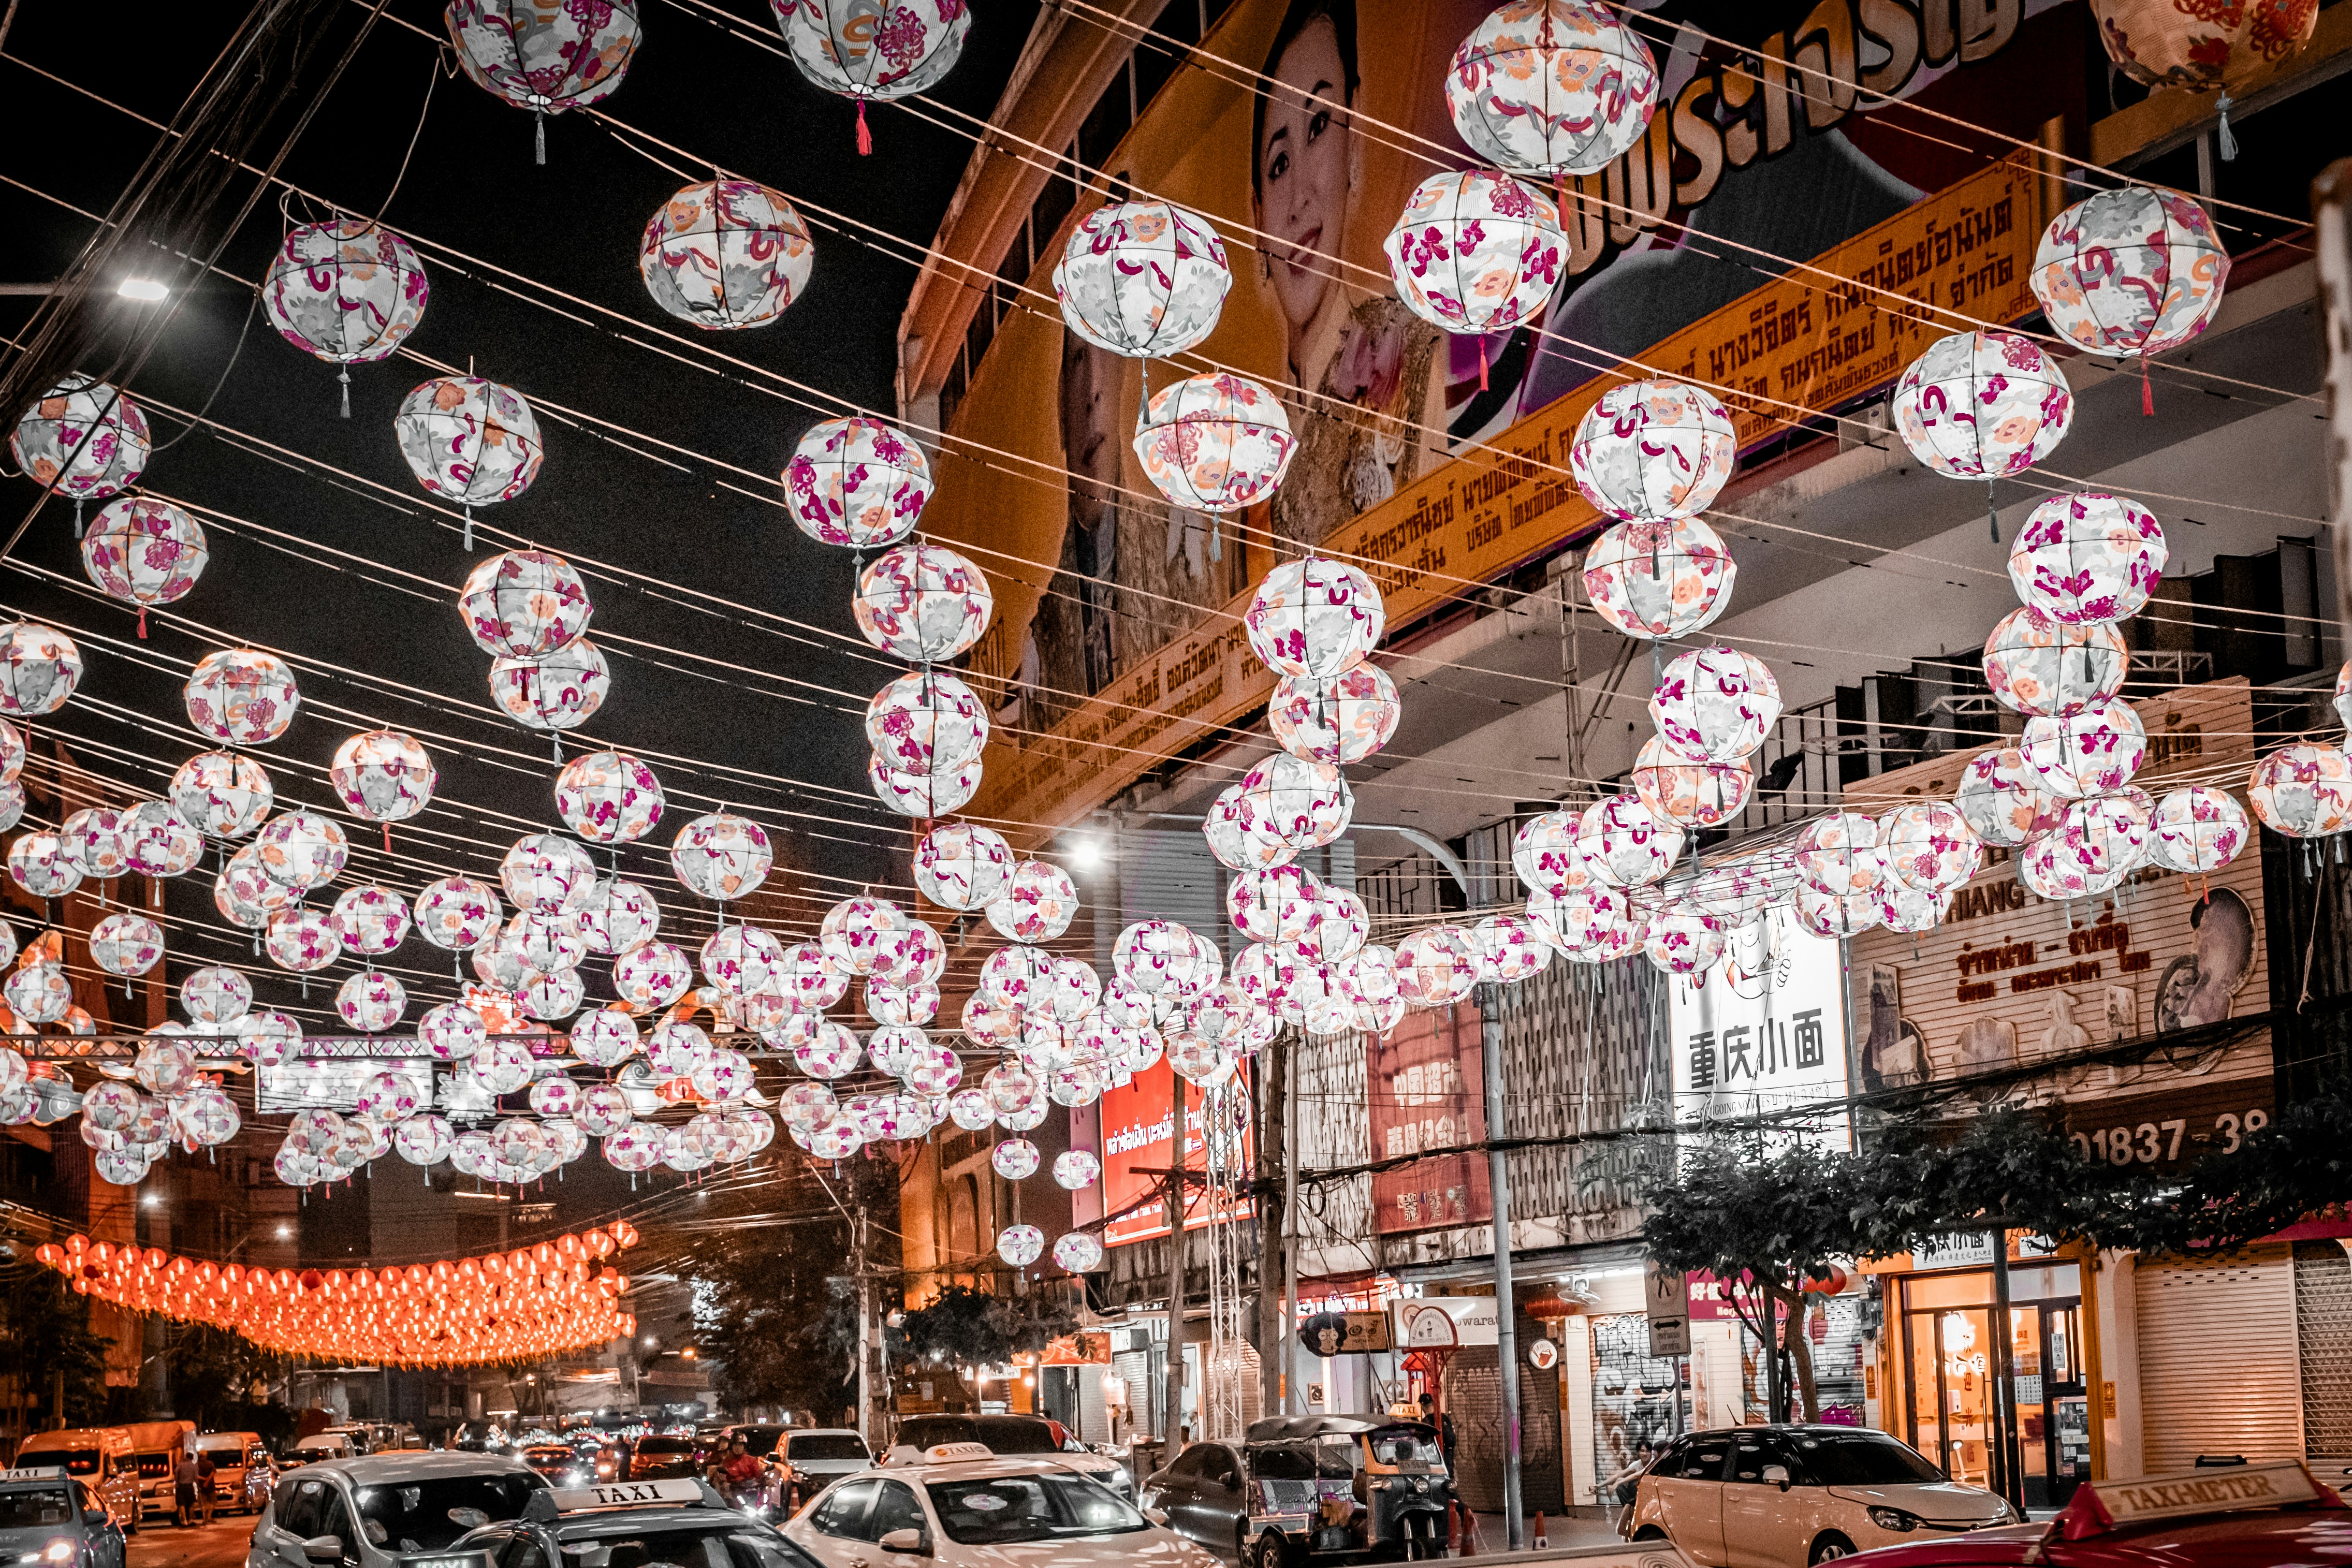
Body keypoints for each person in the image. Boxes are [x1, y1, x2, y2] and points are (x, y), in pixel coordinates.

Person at [1603, 1439, 1656, 1522]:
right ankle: (1630, 1512)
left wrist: (1619, 1482)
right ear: (1638, 1453)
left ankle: (1636, 1513)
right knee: (1620, 1486)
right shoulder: (1638, 1464)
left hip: (1650, 1495)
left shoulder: (1653, 1464)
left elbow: (1636, 1475)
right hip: (1639, 1495)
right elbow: (1619, 1474)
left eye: (1648, 1451)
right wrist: (1599, 1486)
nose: (1645, 1454)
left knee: (1632, 1484)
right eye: (1642, 1451)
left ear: (1651, 1453)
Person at [1415, 1393, 1454, 1469]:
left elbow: (1423, 1443)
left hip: (1433, 1459)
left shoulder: (1425, 1422)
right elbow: (1452, 1440)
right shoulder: (1445, 1418)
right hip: (1448, 1457)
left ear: (1422, 1406)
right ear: (1433, 1403)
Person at [172, 1446, 198, 1529]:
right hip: (190, 1486)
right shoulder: (194, 1466)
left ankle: (184, 1521)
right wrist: (199, 1486)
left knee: (182, 1504)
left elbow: (176, 1473)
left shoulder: (180, 1465)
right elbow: (196, 1478)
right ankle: (191, 1520)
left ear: (186, 1457)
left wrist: (177, 1482)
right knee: (191, 1504)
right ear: (192, 1458)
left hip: (181, 1487)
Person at [193, 1446, 217, 1526]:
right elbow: (213, 1472)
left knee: (203, 1503)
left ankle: (204, 1518)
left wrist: (203, 1479)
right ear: (206, 1456)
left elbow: (196, 1476)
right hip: (210, 1486)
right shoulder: (210, 1463)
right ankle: (209, 1516)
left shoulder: (196, 1465)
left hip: (201, 1487)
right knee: (213, 1502)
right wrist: (207, 1481)